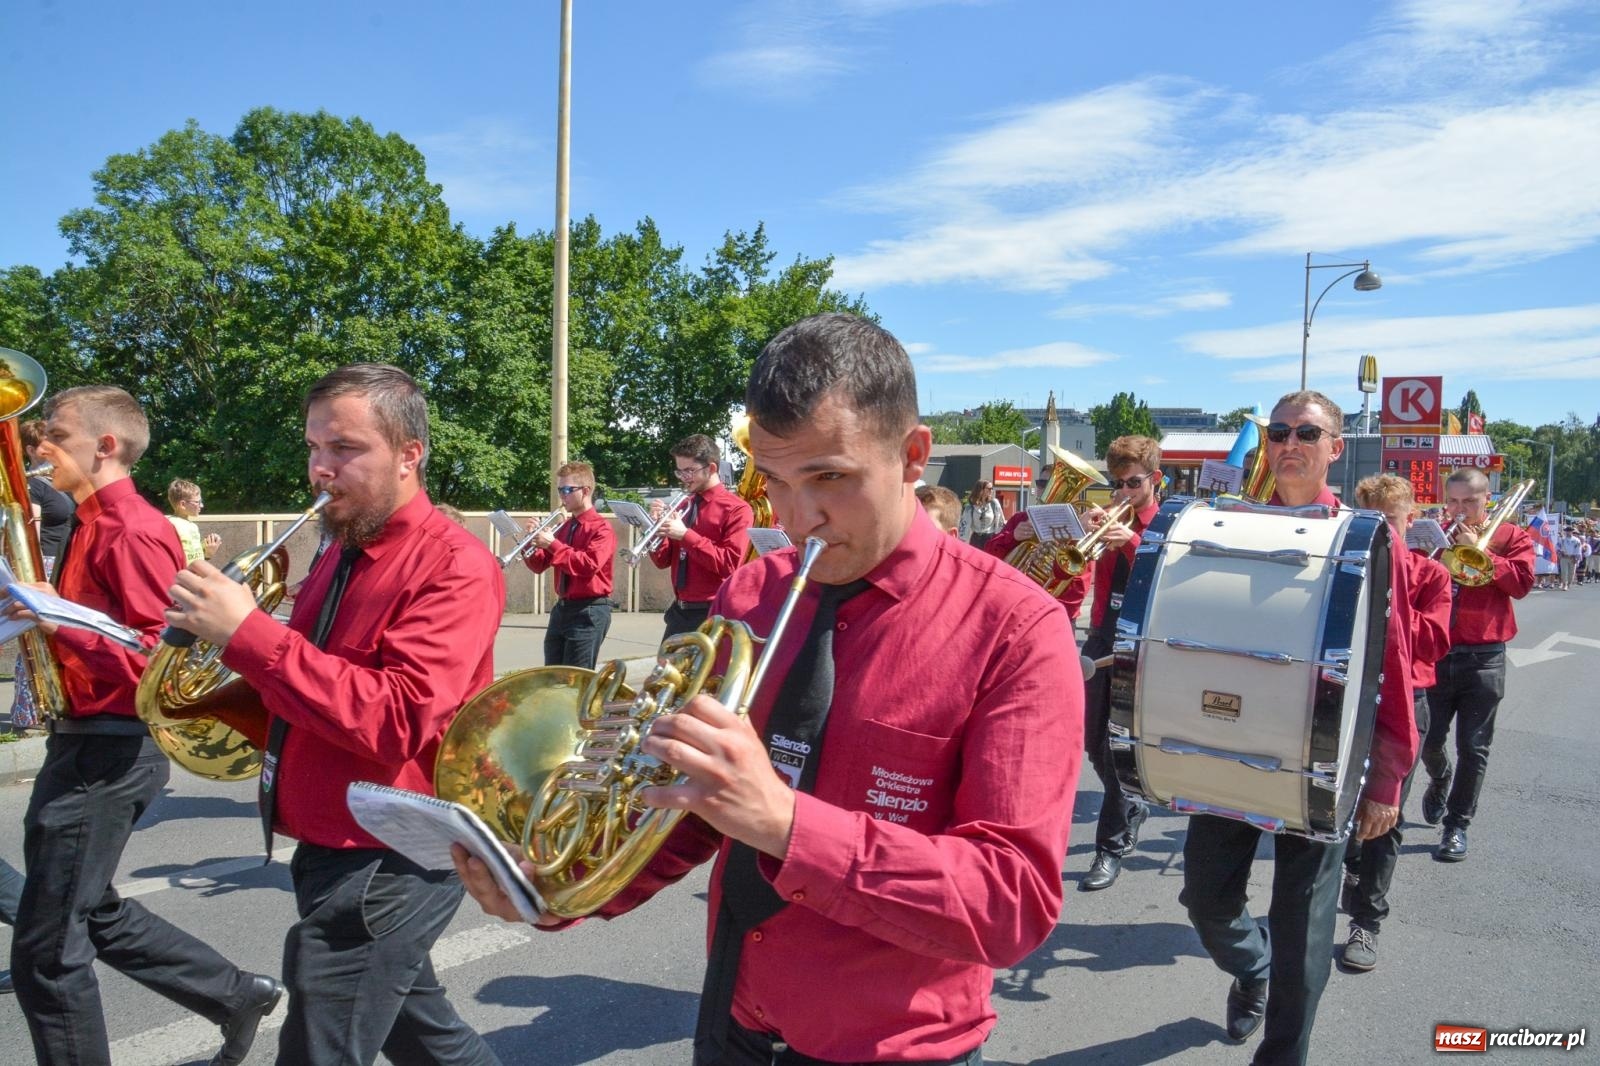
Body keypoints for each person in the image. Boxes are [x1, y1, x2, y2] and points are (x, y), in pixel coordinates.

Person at [456, 312, 1084, 1065]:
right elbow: (687, 810)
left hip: (894, 1045)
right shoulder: (751, 593)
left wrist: (788, 823)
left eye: (831, 478)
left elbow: (1010, 903)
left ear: (914, 455)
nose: (798, 522)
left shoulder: (1016, 628)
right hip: (737, 1020)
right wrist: (559, 889)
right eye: (776, 483)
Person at [165, 364, 503, 1066]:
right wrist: (218, 673)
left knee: (321, 1046)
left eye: (344, 449)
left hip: (391, 853)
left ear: (410, 453)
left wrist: (249, 634)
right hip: (331, 838)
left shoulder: (455, 565)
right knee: (425, 1039)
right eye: (314, 449)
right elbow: (312, 688)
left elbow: (397, 722)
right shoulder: (336, 549)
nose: (321, 470)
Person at [8, 385, 280, 1066]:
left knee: (46, 953)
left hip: (111, 748)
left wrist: (57, 619)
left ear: (105, 446)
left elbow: (159, 664)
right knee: (91, 912)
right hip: (87, 741)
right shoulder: (93, 523)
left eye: (53, 436)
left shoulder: (130, 528)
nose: (38, 448)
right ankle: (234, 994)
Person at [1180, 389, 1416, 1066]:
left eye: (1306, 434)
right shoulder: (1230, 526)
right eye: (1279, 431)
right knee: (1204, 897)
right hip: (1230, 749)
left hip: (1325, 755)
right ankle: (1251, 969)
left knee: (1304, 932)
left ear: (1335, 449)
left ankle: (1283, 1055)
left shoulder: (1368, 539)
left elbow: (1390, 664)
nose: (1289, 443)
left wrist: (1388, 779)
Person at [1340, 475, 1451, 973]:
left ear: (1411, 521)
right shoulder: (1351, 569)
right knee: (1338, 808)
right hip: (1354, 699)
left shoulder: (1432, 575)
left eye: (1392, 520)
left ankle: (1368, 920)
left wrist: (1395, 594)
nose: (1385, 529)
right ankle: (1351, 868)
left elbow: (1434, 642)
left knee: (1386, 817)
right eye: (1375, 519)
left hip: (1409, 700)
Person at [1420, 468, 1534, 862]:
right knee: (1428, 741)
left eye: (1469, 501)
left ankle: (1456, 826)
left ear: (1488, 500)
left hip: (1484, 656)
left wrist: (1484, 554)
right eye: (1453, 501)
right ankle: (1439, 778)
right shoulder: (1436, 534)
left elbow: (1521, 585)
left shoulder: (1511, 537)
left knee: (1474, 747)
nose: (1460, 509)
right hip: (1437, 653)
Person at [1072, 435, 1163, 892]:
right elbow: (1080, 576)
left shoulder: (1168, 523)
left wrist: (1130, 540)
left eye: (1133, 482)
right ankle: (1131, 803)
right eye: (1117, 482)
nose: (1123, 491)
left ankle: (1108, 848)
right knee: (1091, 741)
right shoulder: (1108, 517)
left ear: (1155, 479)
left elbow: (1167, 572)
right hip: (1103, 632)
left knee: (1115, 746)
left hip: (1142, 639)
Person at [649, 433, 753, 640]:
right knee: (666, 672)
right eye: (680, 471)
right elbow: (662, 561)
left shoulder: (737, 509)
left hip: (713, 612)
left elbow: (730, 564)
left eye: (690, 471)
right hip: (679, 612)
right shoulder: (682, 506)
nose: (684, 478)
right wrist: (656, 532)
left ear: (712, 468)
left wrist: (685, 535)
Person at [523, 460, 616, 669]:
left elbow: (588, 565)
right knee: (552, 676)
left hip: (589, 609)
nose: (562, 496)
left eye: (567, 490)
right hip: (562, 608)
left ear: (585, 491)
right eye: (560, 490)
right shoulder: (564, 527)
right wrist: (531, 541)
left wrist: (553, 544)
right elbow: (539, 565)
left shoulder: (602, 528)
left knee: (575, 679)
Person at [166, 477, 223, 563]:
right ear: (183, 504)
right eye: (197, 502)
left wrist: (208, 551)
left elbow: (195, 557)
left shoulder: (193, 526)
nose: (202, 505)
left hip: (195, 574)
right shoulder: (171, 524)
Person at [958, 479, 1004, 548]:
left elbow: (1000, 521)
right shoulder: (970, 507)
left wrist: (1000, 538)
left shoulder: (994, 503)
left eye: (992, 488)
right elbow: (964, 526)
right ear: (981, 490)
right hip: (976, 540)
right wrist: (961, 544)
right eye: (989, 488)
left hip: (990, 539)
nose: (991, 490)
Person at [1556, 524, 1582, 591]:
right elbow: (1557, 547)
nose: (1568, 532)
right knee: (1564, 572)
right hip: (1564, 557)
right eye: (1567, 531)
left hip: (1572, 558)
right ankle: (1565, 584)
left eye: (1569, 531)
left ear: (1572, 532)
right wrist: (1560, 553)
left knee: (1571, 573)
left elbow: (1578, 549)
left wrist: (1576, 558)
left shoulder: (1576, 540)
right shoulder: (1562, 539)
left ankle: (1569, 583)